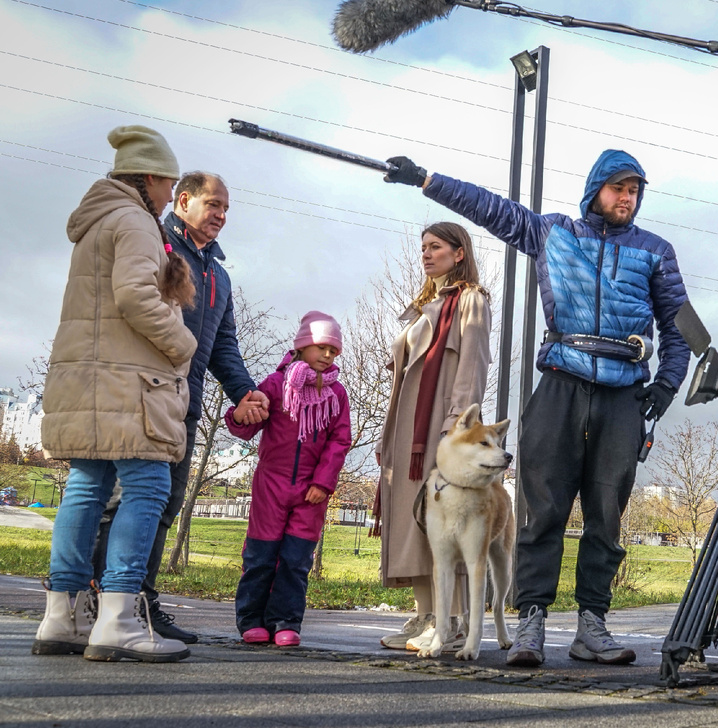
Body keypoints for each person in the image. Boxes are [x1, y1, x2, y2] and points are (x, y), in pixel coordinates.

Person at [383, 149, 690, 668]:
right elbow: (491, 209)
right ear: (596, 189)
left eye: (635, 190)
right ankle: (531, 623)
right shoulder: (555, 233)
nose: (627, 198)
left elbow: (678, 329)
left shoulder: (656, 251)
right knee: (540, 511)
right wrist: (427, 180)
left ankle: (592, 626)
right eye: (618, 188)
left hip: (623, 395)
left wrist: (664, 387)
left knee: (606, 517)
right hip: (560, 386)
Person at [35, 125, 196, 662]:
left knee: (86, 484)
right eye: (169, 183)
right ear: (149, 177)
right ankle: (119, 619)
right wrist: (182, 344)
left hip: (91, 375)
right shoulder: (135, 220)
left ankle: (61, 617)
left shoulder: (97, 221)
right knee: (147, 485)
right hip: (132, 382)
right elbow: (134, 295)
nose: (171, 194)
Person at [93, 170, 269, 644]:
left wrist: (245, 393)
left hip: (183, 405)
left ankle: (141, 602)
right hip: (140, 395)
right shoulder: (154, 243)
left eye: (227, 209)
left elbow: (222, 345)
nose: (221, 216)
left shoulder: (219, 274)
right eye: (214, 205)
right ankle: (105, 600)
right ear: (184, 200)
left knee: (165, 505)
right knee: (125, 501)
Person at [373, 223, 492, 654]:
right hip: (407, 432)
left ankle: (452, 620)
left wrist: (455, 432)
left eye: (435, 247)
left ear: (459, 253)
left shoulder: (470, 301)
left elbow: (473, 369)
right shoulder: (426, 305)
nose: (426, 254)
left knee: (442, 522)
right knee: (412, 522)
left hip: (439, 429)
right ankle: (426, 615)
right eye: (423, 247)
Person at [226, 311, 351, 646]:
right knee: (260, 556)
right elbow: (248, 423)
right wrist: (237, 414)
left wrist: (323, 483)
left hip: (311, 491)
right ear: (302, 347)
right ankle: (252, 620)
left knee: (296, 560)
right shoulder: (275, 384)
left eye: (333, 351)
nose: (327, 356)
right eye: (321, 348)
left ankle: (285, 621)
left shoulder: (336, 394)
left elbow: (339, 440)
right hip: (271, 485)